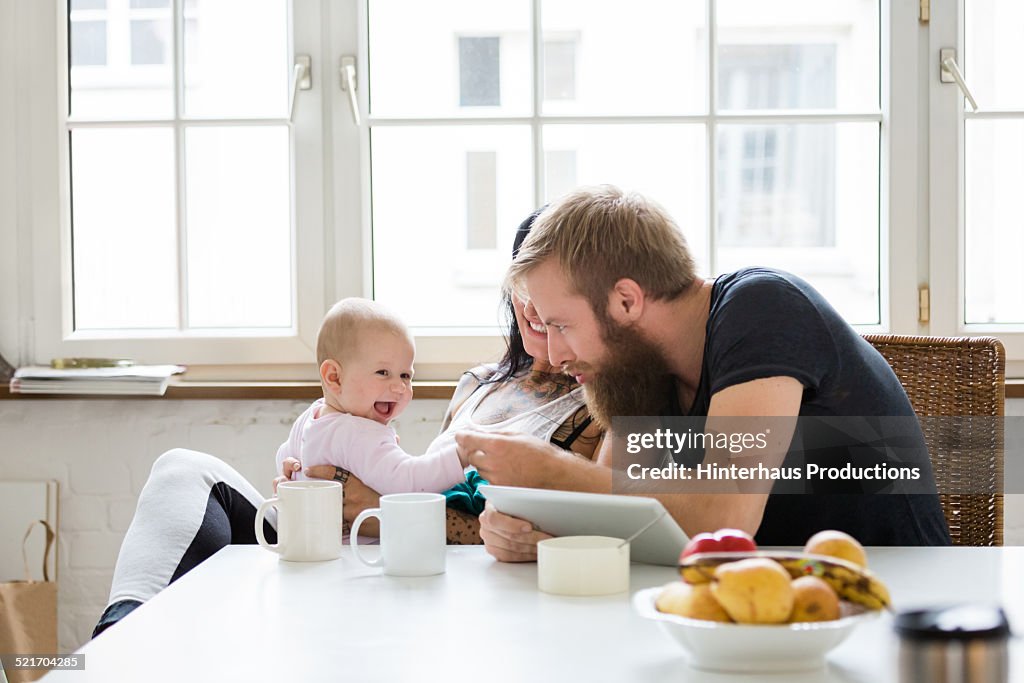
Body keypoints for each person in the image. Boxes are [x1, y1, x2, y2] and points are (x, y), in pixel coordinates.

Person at [93, 210, 602, 637]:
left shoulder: (601, 407)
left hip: (429, 571)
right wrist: (306, 478)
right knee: (183, 468)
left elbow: (558, 534)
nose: (535, 309)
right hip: (351, 546)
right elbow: (416, 478)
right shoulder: (480, 383)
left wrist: (378, 510)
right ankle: (117, 638)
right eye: (524, 286)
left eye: (554, 295)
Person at [456, 185, 951, 562]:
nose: (556, 355)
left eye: (562, 325)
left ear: (626, 300)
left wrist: (551, 471)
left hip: (894, 596)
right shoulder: (641, 370)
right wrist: (520, 526)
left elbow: (723, 515)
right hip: (760, 606)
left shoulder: (763, 309)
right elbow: (619, 510)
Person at [276, 297, 468, 494]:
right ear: (335, 377)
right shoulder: (357, 432)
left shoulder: (312, 416)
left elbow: (285, 456)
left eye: (405, 375)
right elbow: (407, 481)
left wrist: (289, 472)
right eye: (383, 373)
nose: (400, 387)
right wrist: (460, 456)